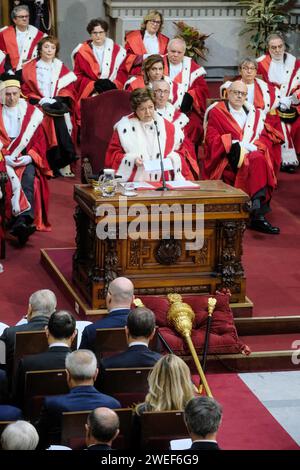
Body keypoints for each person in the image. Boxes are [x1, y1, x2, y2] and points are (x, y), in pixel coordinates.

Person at [203, 80, 284, 235]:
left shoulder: (255, 114)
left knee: (257, 158)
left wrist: (258, 145)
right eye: (236, 92)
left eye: (243, 93)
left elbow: (266, 136)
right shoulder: (216, 112)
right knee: (257, 161)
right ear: (228, 93)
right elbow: (211, 138)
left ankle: (255, 207)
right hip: (227, 158)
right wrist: (234, 144)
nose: (239, 96)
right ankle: (258, 214)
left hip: (251, 156)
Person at [0, 73, 52, 244]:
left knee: (28, 178)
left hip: (24, 156)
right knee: (6, 181)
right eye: (8, 94)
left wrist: (30, 158)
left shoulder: (32, 114)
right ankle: (14, 222)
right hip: (2, 157)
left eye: (15, 93)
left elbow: (40, 141)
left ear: (20, 93)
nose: (11, 97)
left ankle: (23, 221)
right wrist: (3, 157)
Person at [36, 349, 121, 448]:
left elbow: (40, 438)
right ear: (96, 373)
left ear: (67, 374)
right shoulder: (113, 405)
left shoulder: (52, 404)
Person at [105, 87, 193, 182]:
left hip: (162, 183)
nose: (148, 112)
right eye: (142, 109)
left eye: (150, 107)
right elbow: (112, 156)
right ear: (135, 110)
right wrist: (132, 160)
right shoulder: (124, 127)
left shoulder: (168, 127)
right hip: (134, 183)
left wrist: (171, 159)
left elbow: (181, 152)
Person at [21, 35, 77, 177]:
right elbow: (25, 90)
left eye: (52, 47)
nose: (49, 50)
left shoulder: (60, 67)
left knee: (58, 116)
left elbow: (68, 88)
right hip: (36, 105)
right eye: (46, 47)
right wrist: (40, 100)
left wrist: (56, 100)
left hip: (56, 103)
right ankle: (55, 160)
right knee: (46, 118)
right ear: (40, 49)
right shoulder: (29, 68)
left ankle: (59, 160)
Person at [14, 310, 77, 406]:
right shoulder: (82, 365)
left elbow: (18, 398)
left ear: (47, 331)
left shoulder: (27, 363)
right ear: (74, 334)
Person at [257, 32, 300, 173]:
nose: (277, 50)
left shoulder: (296, 63)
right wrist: (277, 100)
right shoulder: (260, 64)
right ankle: (284, 159)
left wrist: (292, 98)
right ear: (268, 49)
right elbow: (258, 87)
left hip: (293, 103)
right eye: (273, 47)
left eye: (280, 46)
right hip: (270, 104)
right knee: (276, 119)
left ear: (284, 47)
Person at [72, 18, 125, 113]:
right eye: (94, 33)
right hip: (91, 92)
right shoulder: (82, 52)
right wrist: (94, 86)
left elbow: (122, 71)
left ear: (105, 33)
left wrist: (113, 85)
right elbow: (78, 75)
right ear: (90, 34)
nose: (98, 35)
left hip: (112, 89)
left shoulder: (117, 51)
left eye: (101, 32)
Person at [163, 37, 209, 146]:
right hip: (161, 107)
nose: (175, 55)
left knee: (194, 126)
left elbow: (203, 90)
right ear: (167, 50)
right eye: (173, 51)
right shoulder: (158, 63)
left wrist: (190, 96)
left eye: (179, 52)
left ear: (184, 53)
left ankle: (187, 156)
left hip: (185, 110)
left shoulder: (193, 68)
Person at [0, 289, 57, 377]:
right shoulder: (61, 334)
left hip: (13, 387)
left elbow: (0, 361)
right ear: (54, 312)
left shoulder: (10, 333)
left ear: (30, 309)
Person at [152, 79, 199, 178]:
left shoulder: (179, 118)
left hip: (172, 157)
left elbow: (185, 144)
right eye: (159, 91)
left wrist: (174, 155)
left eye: (165, 92)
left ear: (169, 94)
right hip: (151, 157)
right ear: (153, 93)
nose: (162, 95)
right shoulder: (146, 115)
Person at [79, 277, 134, 351]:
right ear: (133, 299)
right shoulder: (145, 326)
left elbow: (81, 360)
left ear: (108, 297)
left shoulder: (91, 330)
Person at [117, 10, 169, 86]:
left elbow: (166, 61)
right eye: (152, 21)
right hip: (138, 75)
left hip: (158, 76)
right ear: (146, 22)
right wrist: (144, 57)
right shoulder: (133, 37)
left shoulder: (165, 40)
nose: (155, 24)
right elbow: (127, 59)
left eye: (158, 22)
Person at [0, 4, 45, 72]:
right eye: (21, 17)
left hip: (31, 72)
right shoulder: (4, 34)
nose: (25, 19)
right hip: (10, 74)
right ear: (14, 20)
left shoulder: (38, 34)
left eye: (26, 16)